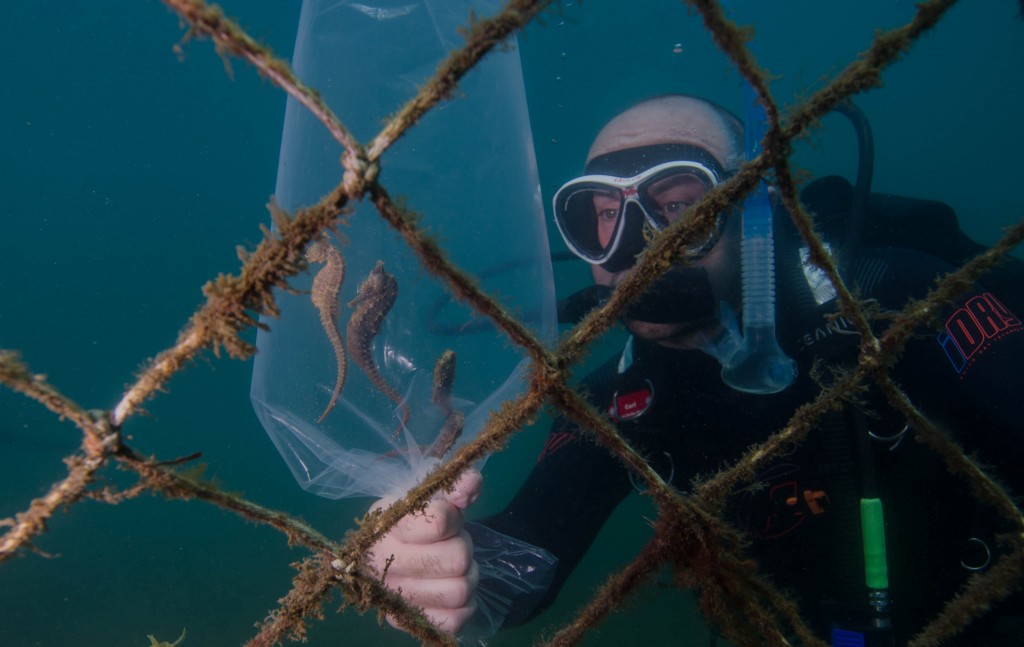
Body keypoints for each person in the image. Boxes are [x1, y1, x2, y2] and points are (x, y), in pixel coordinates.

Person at [367, 94, 1024, 644]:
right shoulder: (619, 403)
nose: (633, 249)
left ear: (752, 213)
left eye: (680, 207)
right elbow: (526, 558)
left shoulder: (903, 300)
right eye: (601, 216)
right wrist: (443, 563)